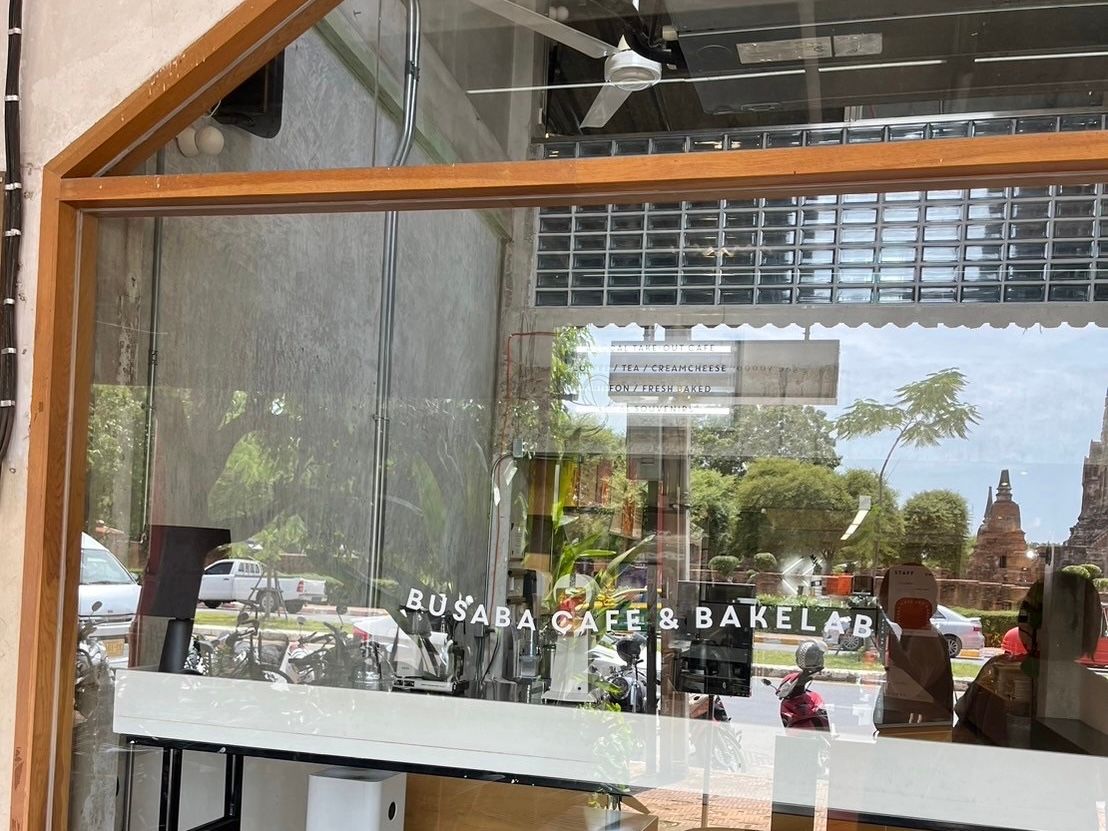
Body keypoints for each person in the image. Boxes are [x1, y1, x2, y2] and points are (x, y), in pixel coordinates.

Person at [954, 573, 1102, 746]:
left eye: (1047, 612)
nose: (1031, 622)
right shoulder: (996, 671)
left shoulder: (997, 670)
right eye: (1027, 611)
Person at [873, 566, 954, 731]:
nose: (883, 602)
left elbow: (908, 689)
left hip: (915, 735)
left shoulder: (923, 639)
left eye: (887, 595)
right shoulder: (917, 634)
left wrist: (882, 634)